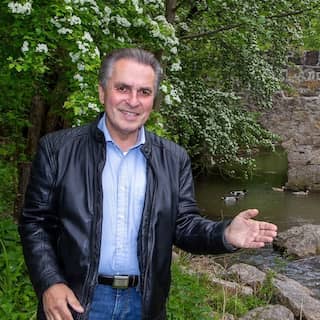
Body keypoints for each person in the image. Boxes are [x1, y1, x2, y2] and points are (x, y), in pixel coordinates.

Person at [19, 47, 277, 320]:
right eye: (122, 88)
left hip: (143, 304)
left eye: (144, 92)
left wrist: (224, 234)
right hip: (77, 301)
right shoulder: (58, 150)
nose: (133, 101)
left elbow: (184, 225)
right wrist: (50, 282)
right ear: (102, 92)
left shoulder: (173, 158)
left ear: (153, 100)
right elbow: (36, 223)